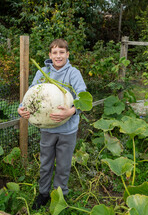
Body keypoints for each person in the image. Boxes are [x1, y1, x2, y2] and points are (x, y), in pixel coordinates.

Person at [18, 38, 87, 210]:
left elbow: (83, 98)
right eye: (55, 52)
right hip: (47, 128)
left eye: (62, 52)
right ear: (50, 55)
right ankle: (43, 193)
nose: (58, 56)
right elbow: (31, 94)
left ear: (67, 54)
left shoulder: (73, 73)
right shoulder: (42, 72)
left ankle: (59, 195)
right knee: (46, 163)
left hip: (67, 130)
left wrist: (71, 111)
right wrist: (22, 108)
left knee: (63, 165)